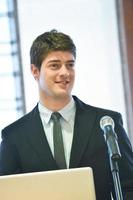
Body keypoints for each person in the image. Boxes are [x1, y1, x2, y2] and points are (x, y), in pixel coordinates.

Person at [0, 29, 133, 199]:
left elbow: (129, 186)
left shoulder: (106, 123)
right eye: (55, 65)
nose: (65, 73)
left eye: (70, 65)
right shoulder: (14, 136)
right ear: (35, 71)